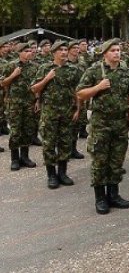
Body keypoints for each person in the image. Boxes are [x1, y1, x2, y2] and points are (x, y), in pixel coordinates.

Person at [76, 39, 129, 214]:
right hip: (101, 123)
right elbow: (80, 93)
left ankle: (114, 194)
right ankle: (100, 198)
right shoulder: (95, 70)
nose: (117, 53)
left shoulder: (125, 71)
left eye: (118, 50)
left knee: (116, 160)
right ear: (104, 54)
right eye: (113, 50)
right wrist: (98, 87)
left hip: (120, 123)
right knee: (100, 161)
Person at [31, 41, 82, 189]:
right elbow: (34, 88)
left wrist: (78, 109)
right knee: (49, 144)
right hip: (49, 113)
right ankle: (51, 175)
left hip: (67, 112)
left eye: (66, 49)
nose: (64, 52)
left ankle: (62, 173)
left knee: (65, 143)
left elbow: (77, 91)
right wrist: (47, 78)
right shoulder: (45, 68)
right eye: (61, 50)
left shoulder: (73, 70)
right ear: (54, 53)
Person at [1, 42, 39, 170]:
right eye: (26, 51)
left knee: (27, 129)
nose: (30, 53)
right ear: (20, 53)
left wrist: (37, 100)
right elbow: (2, 83)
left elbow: (38, 86)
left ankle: (25, 156)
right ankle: (15, 159)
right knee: (16, 131)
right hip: (15, 104)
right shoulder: (10, 65)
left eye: (30, 51)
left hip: (29, 103)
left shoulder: (35, 67)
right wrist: (13, 75)